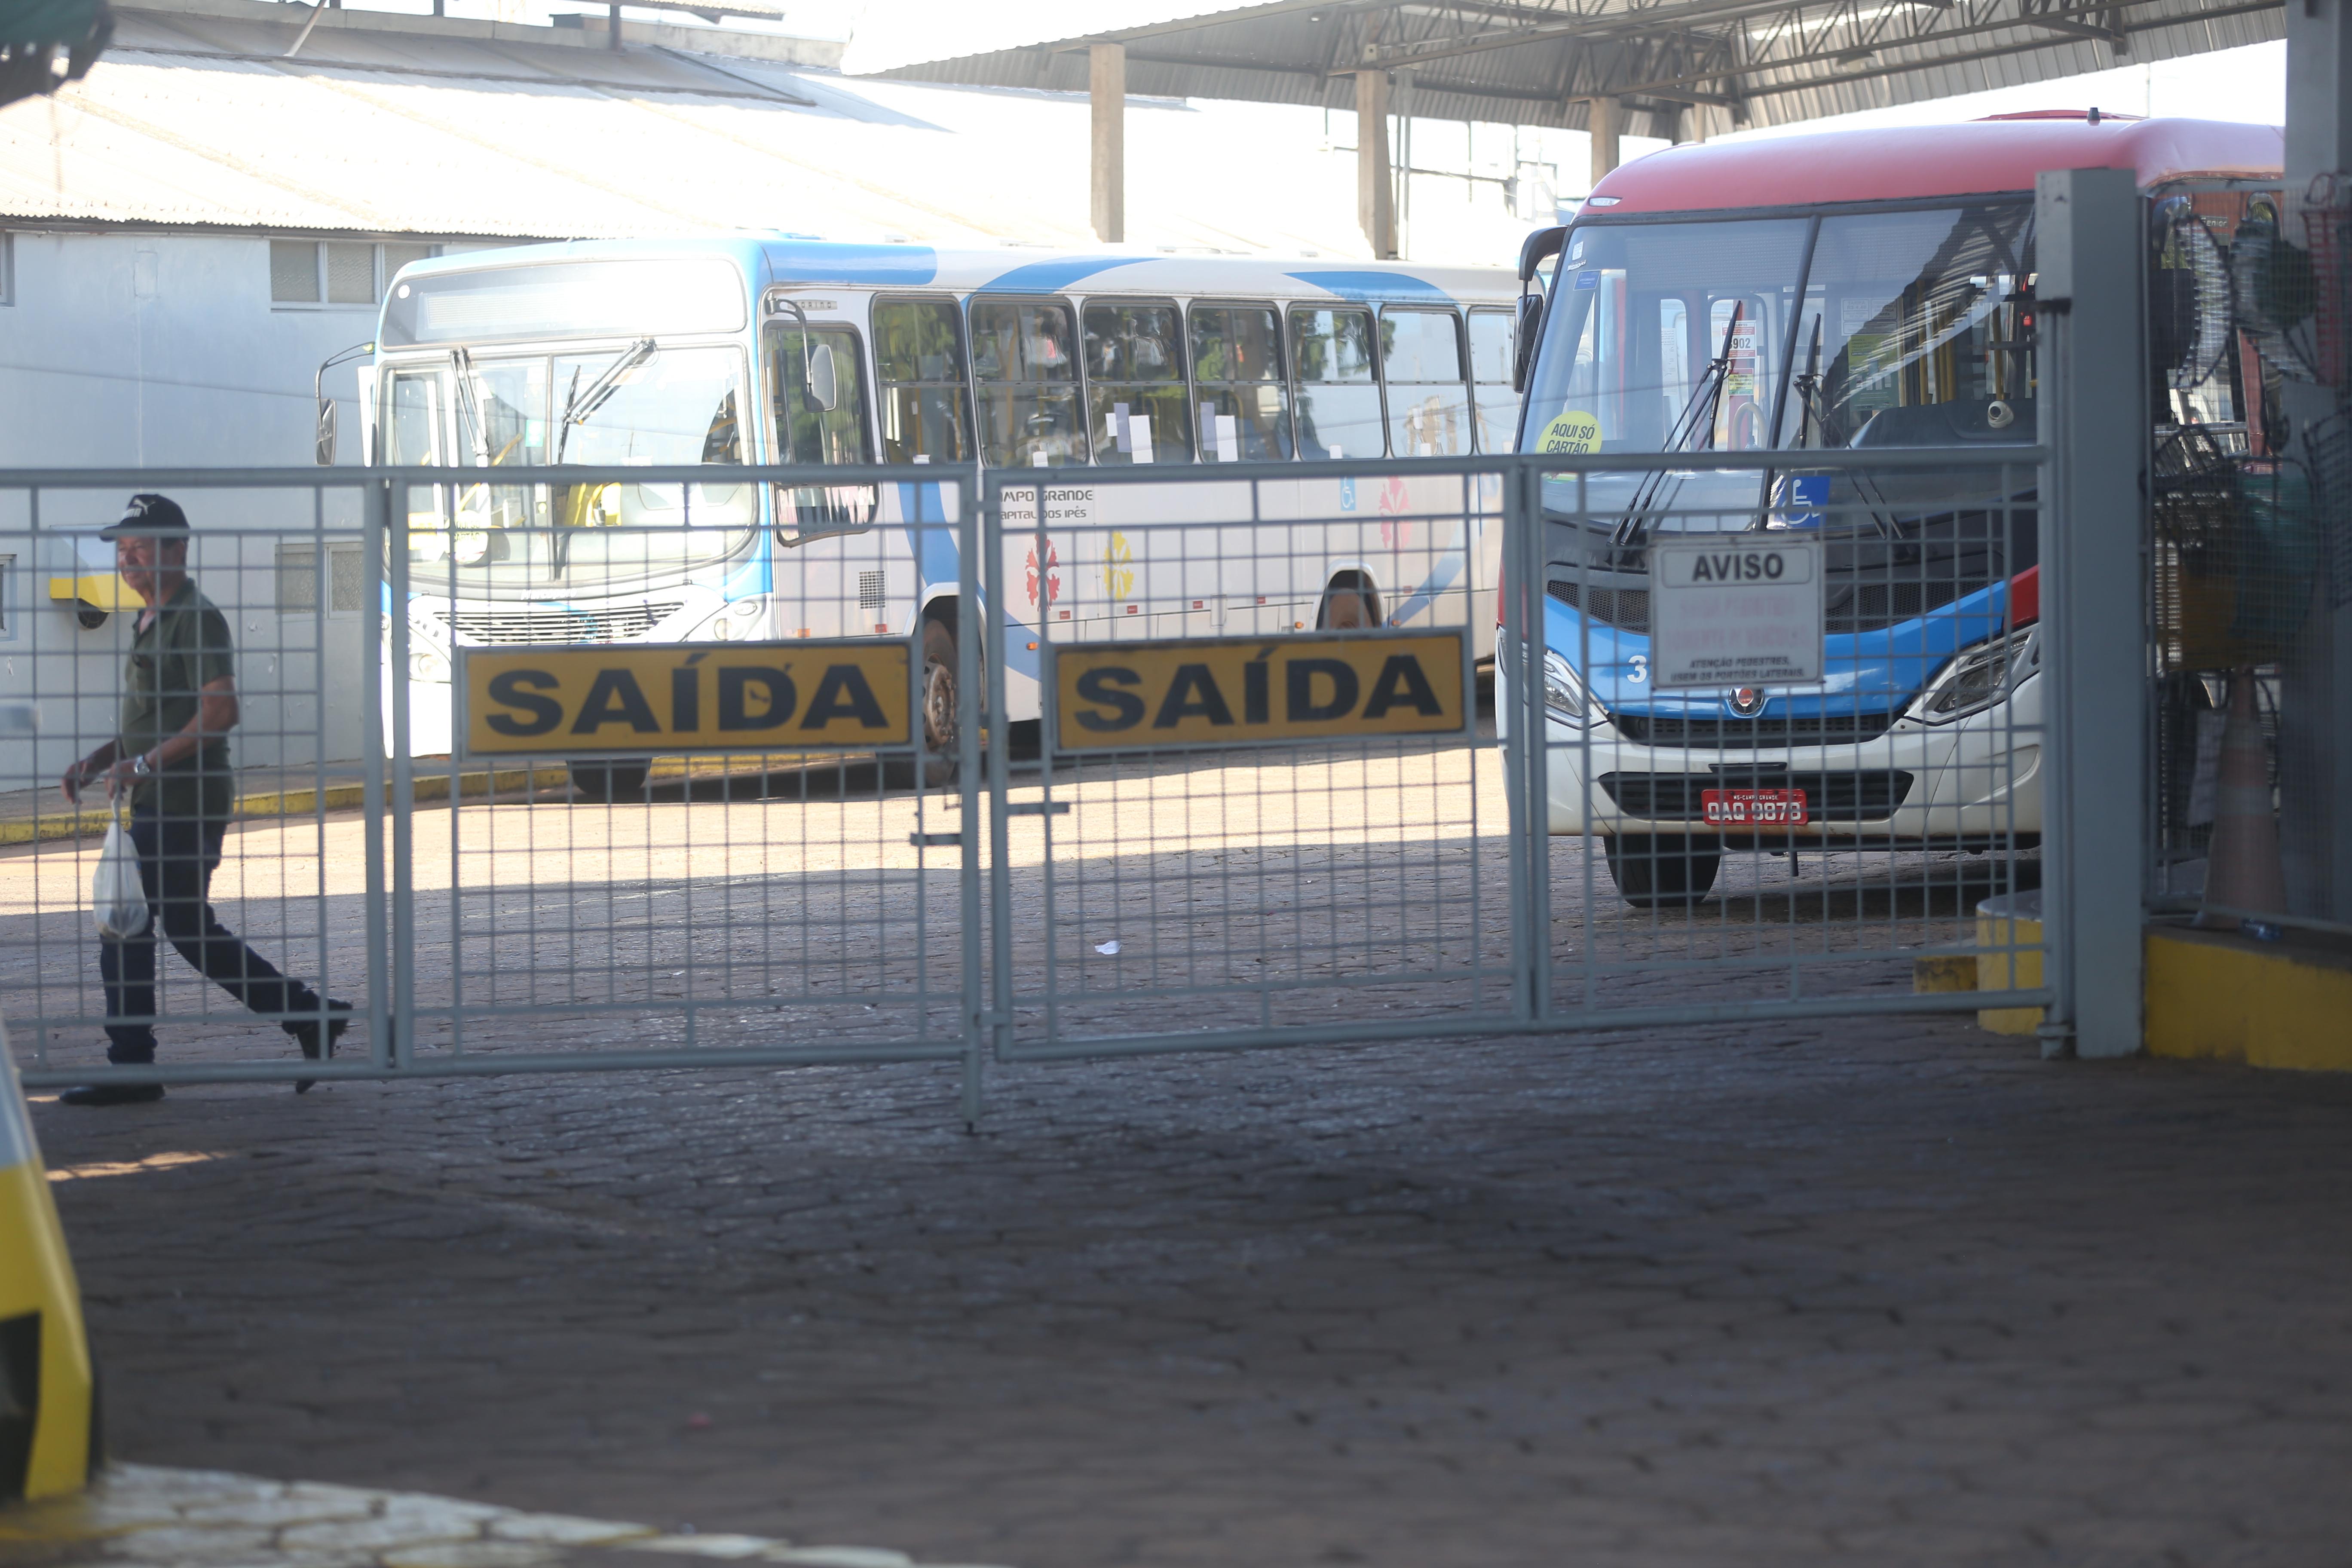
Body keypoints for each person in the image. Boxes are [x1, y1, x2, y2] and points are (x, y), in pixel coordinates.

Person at [55, 494, 349, 1106]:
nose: (129, 560)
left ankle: (133, 1068)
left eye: (142, 548)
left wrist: (141, 765)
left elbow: (220, 711)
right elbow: (157, 718)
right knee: (184, 929)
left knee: (128, 927)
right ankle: (309, 1017)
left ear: (179, 551)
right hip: (158, 798)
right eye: (124, 550)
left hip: (185, 801)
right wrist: (101, 761)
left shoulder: (195, 616)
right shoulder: (149, 619)